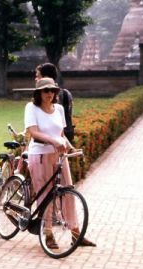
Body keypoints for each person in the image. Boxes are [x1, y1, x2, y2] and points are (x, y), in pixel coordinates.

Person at [24, 77, 95, 248]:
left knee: (68, 192)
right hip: (40, 155)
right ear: (38, 93)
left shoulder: (59, 109)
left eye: (52, 90)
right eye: (45, 90)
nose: (49, 94)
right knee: (46, 195)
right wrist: (52, 141)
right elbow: (33, 132)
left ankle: (76, 233)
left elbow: (60, 134)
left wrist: (71, 147)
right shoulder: (31, 108)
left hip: (59, 155)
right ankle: (47, 233)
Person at [35, 63, 75, 144]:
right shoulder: (66, 93)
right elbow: (70, 115)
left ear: (45, 77)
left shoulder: (46, 97)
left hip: (51, 141)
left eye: (38, 76)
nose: (36, 79)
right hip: (67, 135)